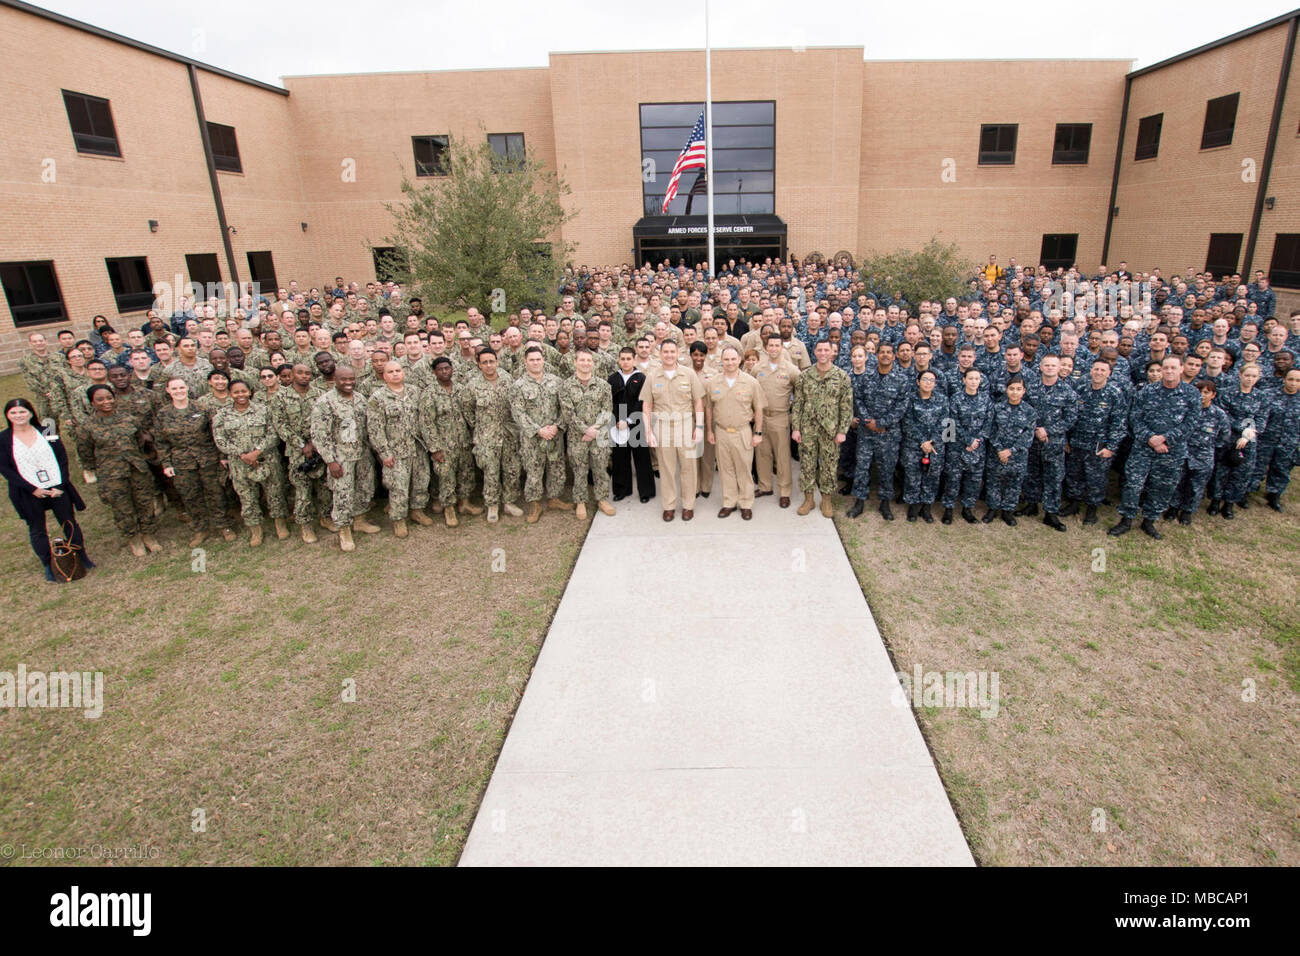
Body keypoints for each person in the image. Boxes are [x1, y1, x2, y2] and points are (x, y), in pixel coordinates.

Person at [0, 398, 92, 581]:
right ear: (7, 415)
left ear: (31, 413)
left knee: (69, 522)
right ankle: (48, 563)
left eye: (23, 411)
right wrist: (31, 489)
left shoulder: (47, 431)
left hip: (56, 487)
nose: (19, 416)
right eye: (14, 413)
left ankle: (81, 555)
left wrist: (60, 485)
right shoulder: (2, 439)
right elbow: (5, 468)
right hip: (28, 491)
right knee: (37, 528)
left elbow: (62, 458)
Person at [1109, 356, 1200, 538]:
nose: (1168, 371)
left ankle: (1149, 521)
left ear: (1181, 369)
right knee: (1133, 484)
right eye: (1165, 368)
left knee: (1162, 486)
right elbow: (1134, 417)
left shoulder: (1191, 394)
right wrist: (1150, 438)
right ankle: (1126, 519)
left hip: (1171, 450)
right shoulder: (1147, 391)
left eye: (1173, 368)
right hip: (1143, 447)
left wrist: (1165, 439)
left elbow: (1191, 422)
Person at [78, 384, 161, 556]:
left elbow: (140, 442)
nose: (106, 402)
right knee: (123, 508)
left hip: (136, 469)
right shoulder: (87, 426)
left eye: (109, 398)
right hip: (111, 474)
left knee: (144, 503)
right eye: (100, 399)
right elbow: (86, 453)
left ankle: (148, 535)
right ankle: (134, 538)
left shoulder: (130, 419)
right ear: (92, 403)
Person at [152, 377, 234, 546]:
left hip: (207, 458)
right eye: (174, 389)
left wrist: (222, 457)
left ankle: (224, 525)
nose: (179, 391)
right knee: (190, 496)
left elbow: (216, 434)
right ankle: (200, 529)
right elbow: (160, 441)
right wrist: (166, 463)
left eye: (181, 387)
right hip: (181, 461)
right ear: (168, 391)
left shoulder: (203, 408)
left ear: (187, 388)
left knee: (216, 493)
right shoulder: (163, 414)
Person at [309, 367, 380, 551]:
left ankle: (359, 520)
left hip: (362, 453)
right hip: (340, 457)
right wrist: (330, 461)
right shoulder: (325, 402)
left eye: (351, 378)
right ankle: (344, 530)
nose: (348, 382)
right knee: (343, 493)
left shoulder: (360, 399)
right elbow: (319, 434)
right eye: (343, 379)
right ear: (335, 379)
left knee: (364, 487)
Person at [213, 379, 290, 547]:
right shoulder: (222, 415)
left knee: (275, 493)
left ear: (250, 392)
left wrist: (257, 452)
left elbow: (273, 433)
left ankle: (280, 524)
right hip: (239, 463)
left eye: (243, 391)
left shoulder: (264, 410)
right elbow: (220, 440)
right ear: (230, 394)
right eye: (236, 392)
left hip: (266, 459)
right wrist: (241, 454)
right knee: (247, 497)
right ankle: (256, 530)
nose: (240, 395)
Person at [639, 339, 704, 522]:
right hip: (662, 427)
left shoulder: (688, 374)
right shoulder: (652, 376)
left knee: (688, 468)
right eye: (665, 352)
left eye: (672, 352)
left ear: (678, 354)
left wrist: (699, 427)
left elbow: (698, 403)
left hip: (685, 425)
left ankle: (688, 505)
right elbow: (646, 406)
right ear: (660, 354)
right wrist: (648, 432)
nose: (669, 355)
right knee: (667, 469)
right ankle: (669, 506)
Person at [367, 360, 434, 536]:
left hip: (417, 447)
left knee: (421, 481)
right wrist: (384, 453)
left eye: (398, 370)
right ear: (384, 375)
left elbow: (425, 418)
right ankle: (399, 519)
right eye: (391, 372)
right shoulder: (378, 398)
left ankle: (417, 511)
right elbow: (375, 429)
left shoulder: (415, 392)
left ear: (403, 372)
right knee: (398, 487)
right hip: (395, 450)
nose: (395, 374)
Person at [1060, 358, 1127, 525]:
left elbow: (1119, 423)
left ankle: (1092, 510)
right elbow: (1070, 414)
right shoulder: (1080, 389)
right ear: (1091, 370)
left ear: (1109, 373)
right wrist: (1067, 439)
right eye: (1096, 369)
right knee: (1074, 474)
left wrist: (1111, 447)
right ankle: (1074, 504)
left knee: (1096, 479)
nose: (1098, 373)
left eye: (1103, 370)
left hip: (1099, 445)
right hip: (1077, 441)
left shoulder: (1114, 393)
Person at [461, 348, 524, 523]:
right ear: (479, 365)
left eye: (491, 361)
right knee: (491, 471)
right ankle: (492, 505)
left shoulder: (507, 380)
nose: (489, 365)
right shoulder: (472, 385)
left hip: (509, 433)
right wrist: (481, 426)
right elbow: (468, 410)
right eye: (485, 362)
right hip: (487, 436)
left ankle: (509, 502)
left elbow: (515, 405)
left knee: (512, 469)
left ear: (496, 362)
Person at [792, 339, 853, 517]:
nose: (823, 353)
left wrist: (842, 431)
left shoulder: (841, 376)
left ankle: (826, 499)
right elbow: (798, 404)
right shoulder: (804, 376)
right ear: (815, 352)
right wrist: (796, 428)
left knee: (829, 465)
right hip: (807, 428)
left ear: (832, 352)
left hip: (831, 430)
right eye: (820, 350)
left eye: (827, 350)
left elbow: (846, 406)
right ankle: (808, 499)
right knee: (807, 464)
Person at [511, 346, 572, 523]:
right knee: (534, 470)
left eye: (538, 359)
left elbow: (565, 407)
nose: (536, 362)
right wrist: (539, 430)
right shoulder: (518, 386)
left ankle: (554, 498)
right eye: (532, 360)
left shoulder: (556, 381)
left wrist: (557, 426)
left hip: (554, 434)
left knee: (556, 467)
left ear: (543, 360)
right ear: (525, 362)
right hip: (533, 437)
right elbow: (518, 413)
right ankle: (535, 504)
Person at [419, 356, 481, 527]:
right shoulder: (429, 393)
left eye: (447, 368)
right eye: (440, 369)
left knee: (466, 473)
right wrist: (434, 448)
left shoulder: (461, 389)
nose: (444, 371)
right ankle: (449, 508)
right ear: (434, 372)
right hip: (443, 445)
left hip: (464, 442)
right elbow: (426, 423)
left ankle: (464, 503)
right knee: (446, 477)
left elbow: (470, 415)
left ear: (452, 369)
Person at [272, 364, 331, 542]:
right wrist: (301, 444)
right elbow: (280, 425)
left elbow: (326, 419)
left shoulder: (320, 394)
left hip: (320, 448)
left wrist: (313, 443)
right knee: (302, 490)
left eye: (307, 373)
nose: (304, 376)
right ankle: (305, 525)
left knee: (324, 487)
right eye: (300, 373)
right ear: (291, 375)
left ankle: (325, 517)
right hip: (297, 452)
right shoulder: (281, 397)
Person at [706, 345, 766, 519]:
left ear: (739, 360)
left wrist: (758, 433)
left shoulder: (751, 382)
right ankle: (729, 502)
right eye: (726, 359)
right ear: (721, 361)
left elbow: (759, 409)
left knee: (744, 469)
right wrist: (710, 431)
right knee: (726, 470)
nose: (730, 362)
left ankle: (746, 503)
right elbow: (709, 408)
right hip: (721, 432)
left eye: (733, 359)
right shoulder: (713, 383)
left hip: (742, 432)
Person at [559, 349, 615, 519]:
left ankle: (602, 499)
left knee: (600, 468)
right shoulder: (566, 386)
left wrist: (594, 430)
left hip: (599, 435)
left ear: (593, 363)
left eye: (588, 360)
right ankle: (580, 501)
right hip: (577, 437)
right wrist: (585, 430)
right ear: (575, 362)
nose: (585, 363)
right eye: (582, 360)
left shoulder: (603, 385)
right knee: (579, 469)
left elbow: (607, 410)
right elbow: (568, 414)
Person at [1208, 363, 1269, 519]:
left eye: (1254, 376)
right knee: (1220, 471)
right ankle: (1215, 501)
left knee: (1241, 474)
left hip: (1248, 440)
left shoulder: (1261, 397)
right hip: (1227, 437)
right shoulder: (1227, 393)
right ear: (1240, 375)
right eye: (1247, 375)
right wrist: (1242, 429)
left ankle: (1229, 503)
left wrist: (1248, 435)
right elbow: (1224, 415)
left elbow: (1261, 420)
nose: (1250, 379)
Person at [1172, 379, 1231, 525]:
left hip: (1203, 456)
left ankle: (1187, 511)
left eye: (1206, 392)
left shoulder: (1218, 414)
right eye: (1199, 391)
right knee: (1177, 481)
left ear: (1213, 395)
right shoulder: (1185, 409)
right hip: (1182, 452)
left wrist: (1208, 447)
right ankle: (1173, 507)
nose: (1202, 395)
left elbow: (1224, 436)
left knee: (1196, 486)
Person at [752, 334, 800, 507]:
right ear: (766, 347)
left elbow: (800, 393)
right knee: (762, 454)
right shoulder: (758, 368)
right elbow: (752, 392)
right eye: (770, 345)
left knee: (782, 457)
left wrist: (794, 416)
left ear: (782, 347)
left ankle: (784, 491)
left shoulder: (791, 370)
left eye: (777, 345)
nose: (773, 348)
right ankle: (765, 486)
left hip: (780, 417)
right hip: (761, 417)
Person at [941, 367, 992, 524]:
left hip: (978, 447)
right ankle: (948, 509)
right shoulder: (955, 399)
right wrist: (968, 440)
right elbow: (951, 422)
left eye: (977, 379)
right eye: (970, 378)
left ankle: (967, 509)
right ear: (964, 380)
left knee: (974, 480)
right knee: (953, 478)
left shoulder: (986, 400)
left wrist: (977, 441)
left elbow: (988, 423)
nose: (974, 381)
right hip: (957, 446)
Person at [984, 374, 1037, 525]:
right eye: (1011, 389)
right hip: (997, 453)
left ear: (1024, 391)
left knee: (1014, 483)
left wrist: (1011, 450)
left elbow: (1028, 435)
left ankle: (1008, 511)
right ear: (1006, 390)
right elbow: (991, 430)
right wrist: (1000, 449)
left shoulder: (1030, 412)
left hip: (1017, 455)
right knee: (993, 481)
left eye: (1018, 389)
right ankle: (992, 509)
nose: (1015, 392)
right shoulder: (997, 408)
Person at [900, 369, 948, 523]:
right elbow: (907, 422)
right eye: (925, 379)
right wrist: (922, 441)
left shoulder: (942, 400)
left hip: (935, 446)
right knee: (912, 476)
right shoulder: (910, 399)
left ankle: (926, 508)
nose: (928, 383)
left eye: (931, 380)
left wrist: (931, 442)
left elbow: (946, 423)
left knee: (932, 477)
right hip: (914, 445)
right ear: (918, 382)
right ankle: (913, 506)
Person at [609, 347, 653, 503]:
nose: (625, 361)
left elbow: (642, 401)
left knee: (642, 458)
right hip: (618, 422)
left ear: (634, 360)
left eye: (629, 358)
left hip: (636, 421)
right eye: (623, 359)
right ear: (619, 360)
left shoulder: (641, 378)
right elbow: (610, 402)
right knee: (620, 457)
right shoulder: (613, 378)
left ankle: (646, 491)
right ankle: (622, 490)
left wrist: (629, 420)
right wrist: (618, 420)